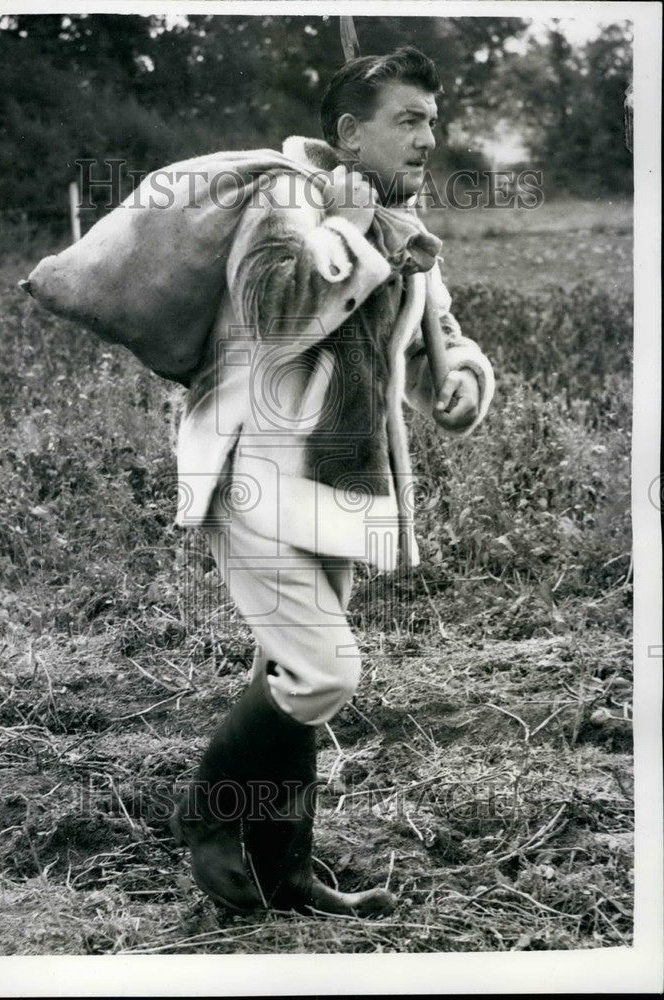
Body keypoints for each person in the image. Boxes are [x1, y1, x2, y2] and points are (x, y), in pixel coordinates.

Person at [170, 46, 495, 916]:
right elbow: (278, 316)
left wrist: (458, 376)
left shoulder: (404, 215)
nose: (429, 137)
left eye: (433, 119)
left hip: (340, 479)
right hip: (255, 474)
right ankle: (205, 811)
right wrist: (348, 226)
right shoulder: (283, 198)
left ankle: (286, 873)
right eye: (408, 120)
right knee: (325, 673)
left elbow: (433, 333)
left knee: (293, 675)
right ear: (350, 133)